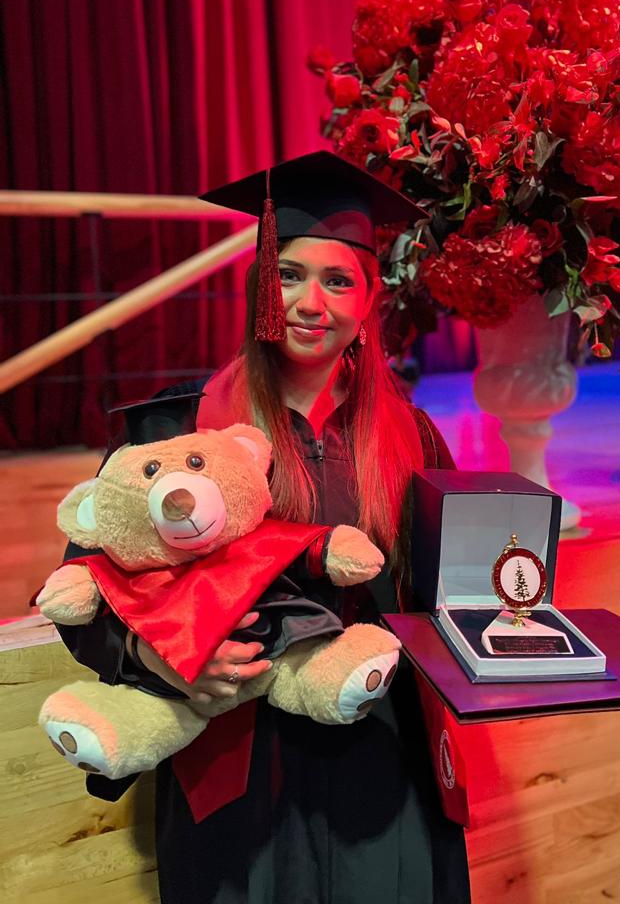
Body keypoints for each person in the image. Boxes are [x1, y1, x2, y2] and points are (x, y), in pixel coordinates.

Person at [55, 151, 472, 904]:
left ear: (369, 300)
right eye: (289, 275)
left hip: (378, 753)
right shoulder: (176, 432)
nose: (312, 302)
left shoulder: (414, 438)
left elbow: (449, 596)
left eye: (338, 281)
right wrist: (160, 658)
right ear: (260, 289)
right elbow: (86, 590)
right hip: (239, 763)